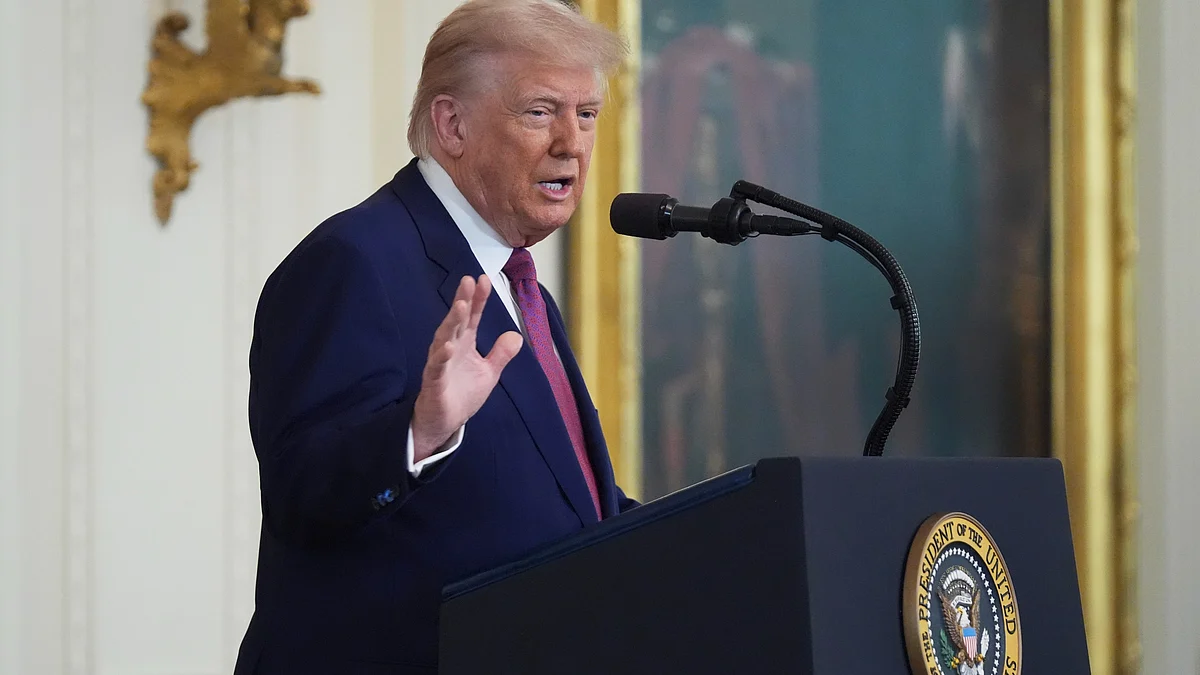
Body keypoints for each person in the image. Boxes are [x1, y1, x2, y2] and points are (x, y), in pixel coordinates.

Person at [232, 2, 638, 673]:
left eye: (586, 113)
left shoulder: (514, 281)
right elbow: (304, 493)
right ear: (452, 124)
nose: (571, 141)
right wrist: (416, 436)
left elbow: (567, 512)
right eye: (540, 111)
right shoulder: (355, 260)